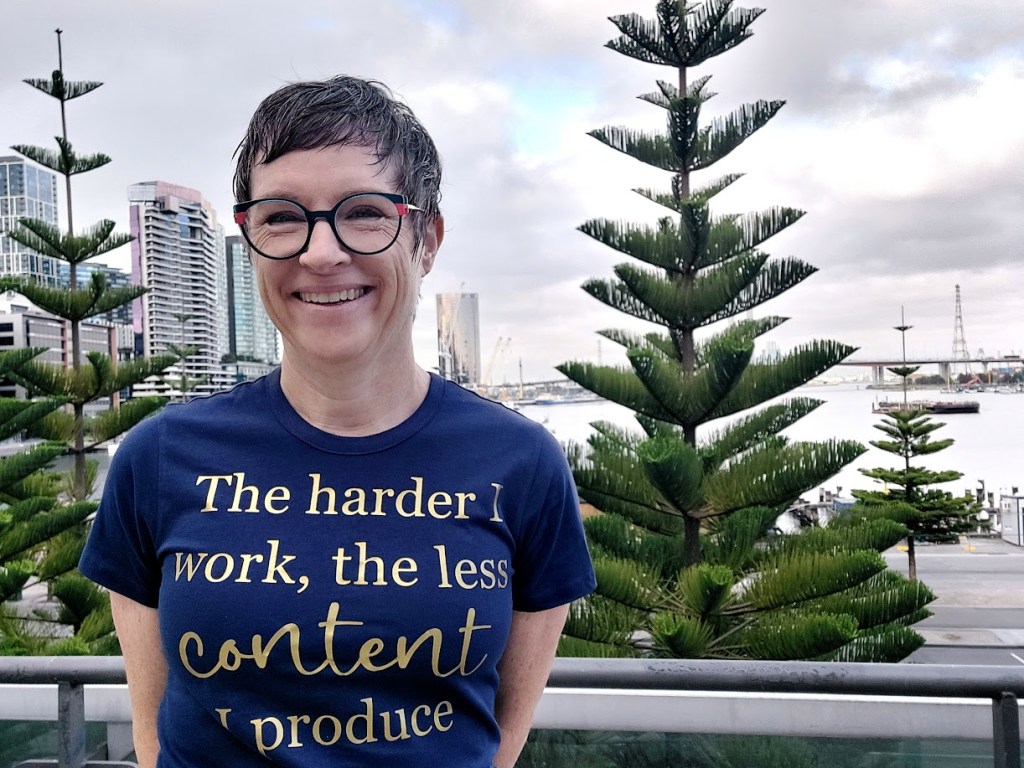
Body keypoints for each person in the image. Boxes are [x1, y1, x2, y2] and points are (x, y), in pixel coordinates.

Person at [78, 75, 596, 767]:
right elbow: (153, 723)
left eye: (364, 212)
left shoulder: (523, 463)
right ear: (250, 240)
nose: (321, 253)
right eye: (282, 217)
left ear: (426, 240)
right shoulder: (158, 458)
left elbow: (502, 738)